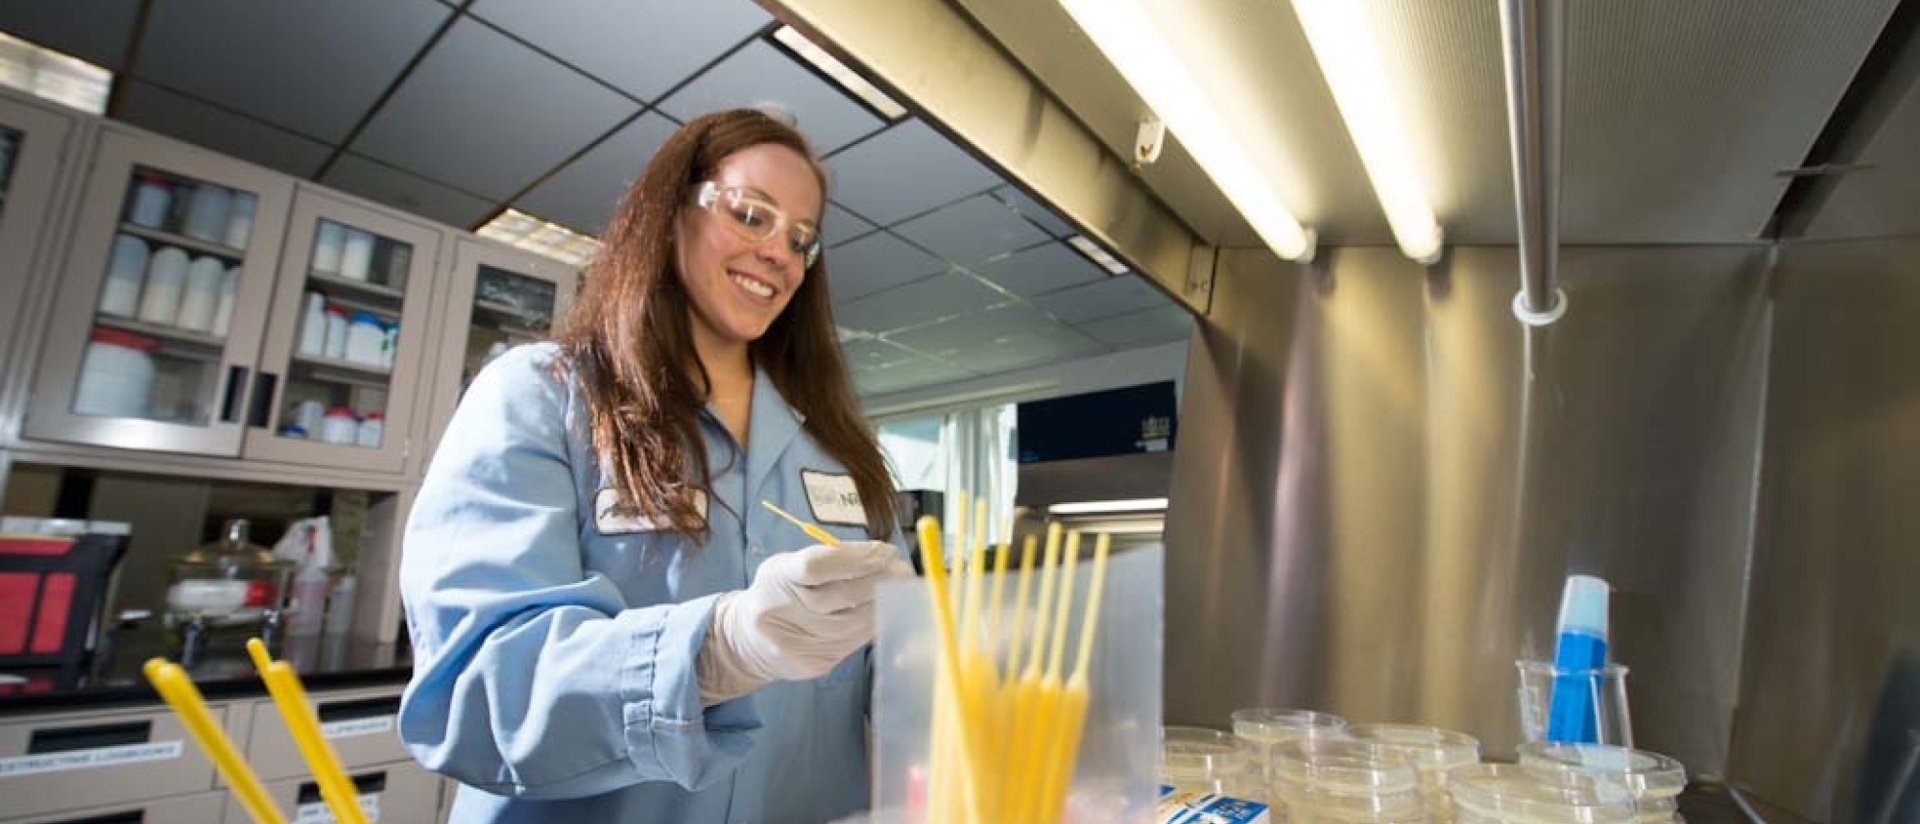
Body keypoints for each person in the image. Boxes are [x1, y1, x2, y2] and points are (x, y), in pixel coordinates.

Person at [398, 108, 911, 824]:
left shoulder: (839, 453)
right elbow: (477, 695)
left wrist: (935, 674)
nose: (779, 254)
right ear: (671, 212)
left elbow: (891, 661)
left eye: (801, 239)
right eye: (751, 214)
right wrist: (716, 651)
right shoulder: (544, 395)